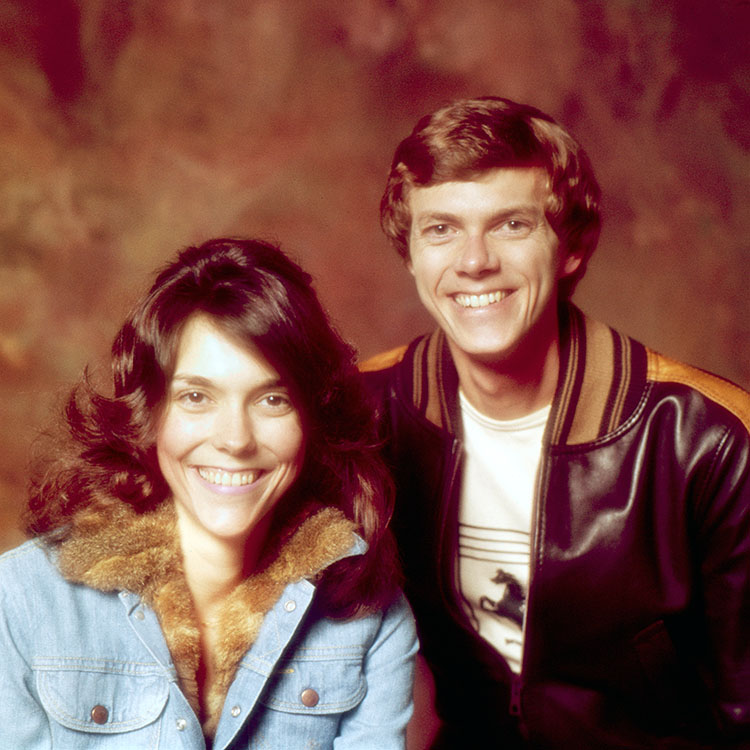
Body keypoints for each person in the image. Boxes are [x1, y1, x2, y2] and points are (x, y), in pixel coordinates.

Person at [363, 96, 750, 748]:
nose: (474, 261)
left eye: (511, 225)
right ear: (411, 255)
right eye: (441, 229)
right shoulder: (364, 415)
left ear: (571, 246)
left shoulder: (707, 439)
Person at [0, 238, 417, 749]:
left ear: (312, 418)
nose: (235, 440)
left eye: (272, 399)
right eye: (196, 397)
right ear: (149, 412)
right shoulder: (20, 600)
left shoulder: (370, 615)